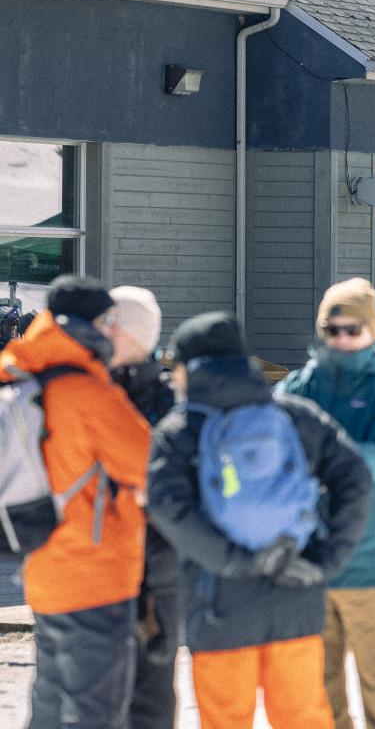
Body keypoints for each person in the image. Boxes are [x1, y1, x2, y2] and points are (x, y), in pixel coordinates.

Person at [147, 312, 373, 729]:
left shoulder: (180, 431)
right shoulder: (296, 417)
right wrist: (326, 559)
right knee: (304, 718)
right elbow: (357, 479)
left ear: (187, 369)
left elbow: (167, 507)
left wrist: (236, 561)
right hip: (297, 595)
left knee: (226, 719)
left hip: (218, 605)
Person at [5, 277, 152, 729]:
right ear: (97, 323)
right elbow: (149, 464)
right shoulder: (88, 391)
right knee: (94, 711)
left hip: (44, 568)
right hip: (96, 573)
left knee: (49, 701)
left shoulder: (25, 377)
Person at [276, 279, 375, 729]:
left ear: (374, 330)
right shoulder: (298, 386)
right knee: (318, 701)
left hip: (374, 567)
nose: (341, 338)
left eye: (352, 329)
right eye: (331, 329)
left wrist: (318, 463)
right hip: (309, 567)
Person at [107, 287, 180, 729]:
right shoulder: (88, 389)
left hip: (156, 564)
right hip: (103, 560)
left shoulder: (166, 400)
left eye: (108, 325)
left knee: (152, 687)